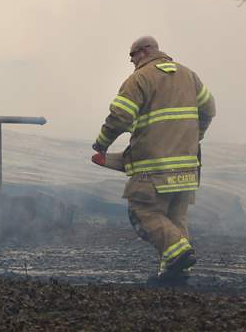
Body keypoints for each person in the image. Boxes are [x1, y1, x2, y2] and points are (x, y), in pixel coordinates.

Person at [91, 35, 217, 282]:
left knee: (142, 212)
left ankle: (181, 254)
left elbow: (120, 116)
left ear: (144, 52)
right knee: (174, 218)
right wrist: (195, 135)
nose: (131, 61)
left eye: (132, 56)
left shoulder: (140, 79)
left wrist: (101, 144)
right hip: (187, 167)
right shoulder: (189, 75)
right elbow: (209, 109)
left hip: (154, 168)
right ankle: (176, 273)